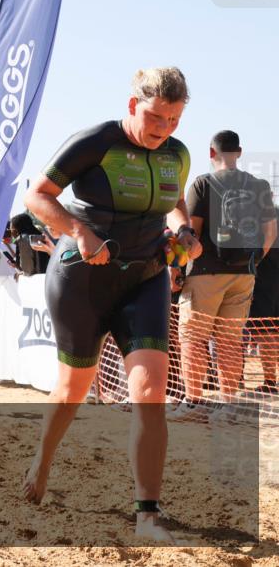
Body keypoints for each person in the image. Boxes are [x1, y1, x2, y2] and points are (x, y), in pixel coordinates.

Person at [22, 67, 201, 543]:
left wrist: (184, 234)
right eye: (155, 117)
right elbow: (36, 196)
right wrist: (79, 231)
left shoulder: (176, 155)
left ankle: (148, 514)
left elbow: (175, 202)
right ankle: (42, 459)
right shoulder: (96, 141)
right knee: (72, 390)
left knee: (150, 394)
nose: (162, 129)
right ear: (131, 106)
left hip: (145, 279)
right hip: (81, 281)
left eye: (173, 120)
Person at [175, 130, 277, 412]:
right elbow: (270, 231)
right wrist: (254, 262)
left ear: (211, 153)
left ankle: (194, 403)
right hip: (244, 274)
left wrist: (180, 267)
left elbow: (190, 234)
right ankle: (228, 404)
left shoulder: (203, 184)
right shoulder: (259, 186)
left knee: (194, 338)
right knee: (230, 341)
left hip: (206, 272)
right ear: (239, 152)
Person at [250, 248, 279, 394]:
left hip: (265, 272)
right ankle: (270, 380)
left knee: (266, 329)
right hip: (268, 270)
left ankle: (270, 380)